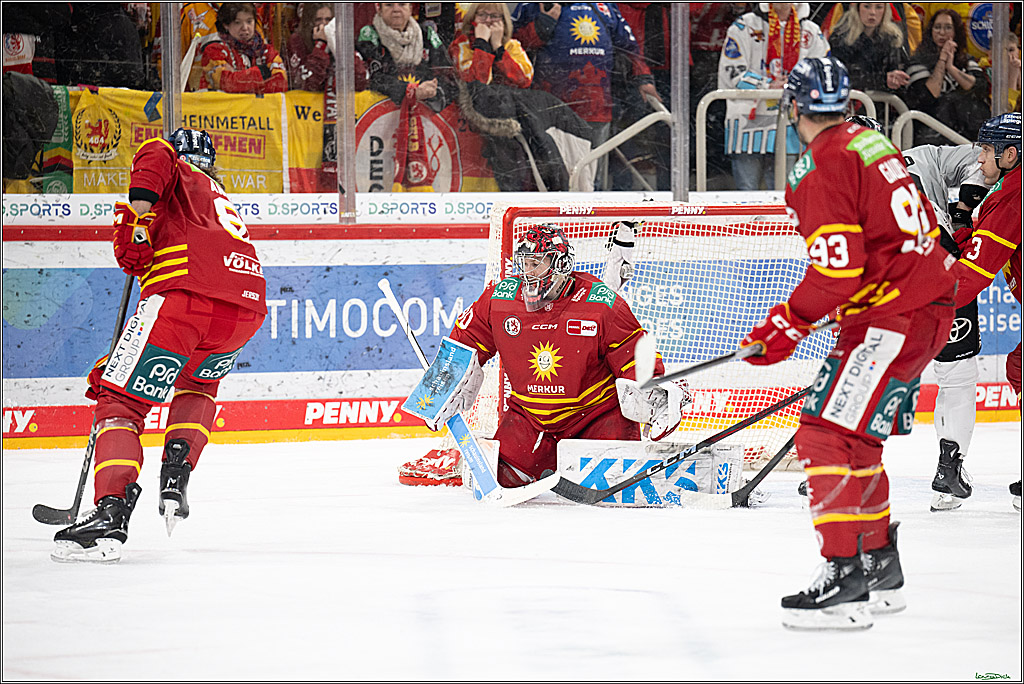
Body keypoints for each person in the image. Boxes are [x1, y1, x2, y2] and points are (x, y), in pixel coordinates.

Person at [741, 57, 956, 630]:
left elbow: (838, 270)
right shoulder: (870, 141)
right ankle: (879, 567)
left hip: (893, 317)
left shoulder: (820, 164)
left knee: (822, 434)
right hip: (926, 307)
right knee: (857, 439)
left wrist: (785, 326)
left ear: (794, 106)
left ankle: (844, 580)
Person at [50, 129, 267, 563]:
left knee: (121, 403)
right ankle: (175, 476)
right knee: (197, 386)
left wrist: (138, 211)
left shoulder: (171, 169)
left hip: (185, 298)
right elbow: (141, 255)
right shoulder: (218, 198)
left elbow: (156, 160)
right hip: (245, 311)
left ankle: (110, 512)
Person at [399, 224, 690, 488]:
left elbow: (633, 356)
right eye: (525, 263)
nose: (528, 272)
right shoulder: (500, 299)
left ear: (561, 264)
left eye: (536, 263)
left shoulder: (600, 303)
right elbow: (465, 343)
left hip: (595, 418)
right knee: (497, 479)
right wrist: (438, 391)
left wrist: (655, 394)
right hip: (530, 421)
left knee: (616, 487)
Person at [948, 112, 1022, 513]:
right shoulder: (1009, 189)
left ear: (1011, 154)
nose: (979, 159)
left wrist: (919, 303)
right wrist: (963, 220)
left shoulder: (1013, 194)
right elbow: (981, 247)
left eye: (987, 150)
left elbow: (972, 275)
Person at [512, 2, 657, 191]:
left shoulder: (605, 6)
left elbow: (629, 46)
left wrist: (643, 77)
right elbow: (513, 46)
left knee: (591, 181)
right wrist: (541, 26)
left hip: (596, 110)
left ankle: (588, 211)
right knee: (552, 179)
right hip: (551, 114)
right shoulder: (532, 5)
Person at [717, 3, 829, 191]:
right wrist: (767, 85)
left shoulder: (811, 31)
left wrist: (794, 85)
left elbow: (823, 75)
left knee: (785, 195)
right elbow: (730, 74)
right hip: (748, 125)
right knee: (746, 197)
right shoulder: (744, 26)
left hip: (791, 126)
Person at [904, 9, 989, 146]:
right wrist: (942, 60)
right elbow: (927, 96)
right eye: (937, 27)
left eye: (948, 27)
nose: (942, 33)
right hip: (931, 134)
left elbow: (979, 88)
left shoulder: (967, 60)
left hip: (967, 134)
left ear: (956, 32)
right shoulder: (917, 61)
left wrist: (951, 68)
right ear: (930, 31)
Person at [355, 2, 457, 113]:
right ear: (379, 10)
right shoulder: (369, 35)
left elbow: (445, 72)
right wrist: (410, 91)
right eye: (389, 5)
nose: (396, 9)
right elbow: (372, 79)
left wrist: (432, 91)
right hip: (381, 113)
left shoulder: (426, 34)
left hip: (424, 113)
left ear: (410, 9)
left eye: (402, 4)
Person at [199, 2, 287, 94]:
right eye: (237, 22)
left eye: (249, 21)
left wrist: (237, 78)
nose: (245, 28)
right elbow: (226, 84)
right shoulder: (214, 50)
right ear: (226, 25)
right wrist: (262, 72)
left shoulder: (267, 51)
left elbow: (281, 84)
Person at [828, 3, 909, 96]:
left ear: (885, 10)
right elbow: (839, 76)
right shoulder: (840, 37)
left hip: (883, 102)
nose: (872, 12)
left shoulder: (892, 37)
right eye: (867, 6)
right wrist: (881, 80)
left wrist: (897, 79)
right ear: (858, 8)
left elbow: (898, 71)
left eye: (879, 7)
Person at [285, 2, 333, 91]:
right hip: (306, 99)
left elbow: (358, 80)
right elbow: (305, 83)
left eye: (328, 19)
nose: (323, 25)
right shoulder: (297, 41)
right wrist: (320, 46)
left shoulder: (336, 39)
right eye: (318, 20)